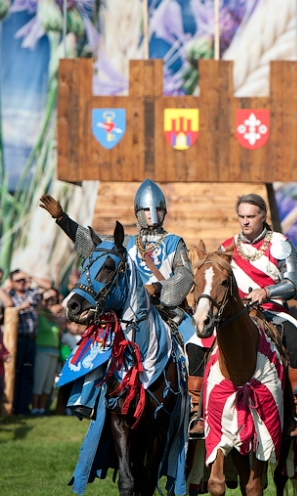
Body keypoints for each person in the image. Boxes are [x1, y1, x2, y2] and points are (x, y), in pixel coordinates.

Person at [39, 180, 197, 426]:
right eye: (146, 209)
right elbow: (92, 245)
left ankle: (196, 408)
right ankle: (88, 398)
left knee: (196, 343)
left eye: (155, 209)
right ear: (137, 212)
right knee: (97, 345)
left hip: (166, 312)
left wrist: (156, 287)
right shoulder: (127, 244)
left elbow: (184, 276)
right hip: (128, 315)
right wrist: (63, 220)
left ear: (164, 211)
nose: (151, 214)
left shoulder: (174, 243)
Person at [216, 194, 297, 434]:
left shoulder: (280, 243)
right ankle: (198, 409)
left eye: (250, 216)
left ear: (263, 216)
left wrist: (267, 291)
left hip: (273, 312)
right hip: (236, 317)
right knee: (200, 344)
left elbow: (294, 286)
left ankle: (296, 411)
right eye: (241, 217)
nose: (245, 222)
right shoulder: (226, 246)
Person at [1, 270, 41, 415]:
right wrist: (19, 308)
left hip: (30, 341)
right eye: (18, 280)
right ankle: (10, 408)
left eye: (24, 280)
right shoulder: (9, 295)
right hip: (16, 341)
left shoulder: (32, 293)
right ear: (11, 282)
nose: (22, 282)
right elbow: (8, 305)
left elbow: (44, 288)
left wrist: (29, 274)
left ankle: (23, 409)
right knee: (14, 374)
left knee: (27, 375)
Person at [32, 288, 65, 415]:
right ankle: (35, 408)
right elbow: (37, 309)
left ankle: (42, 408)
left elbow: (59, 334)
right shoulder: (39, 314)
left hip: (54, 352)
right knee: (39, 381)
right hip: (41, 351)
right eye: (47, 299)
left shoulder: (54, 317)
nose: (50, 302)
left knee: (48, 384)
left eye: (52, 299)